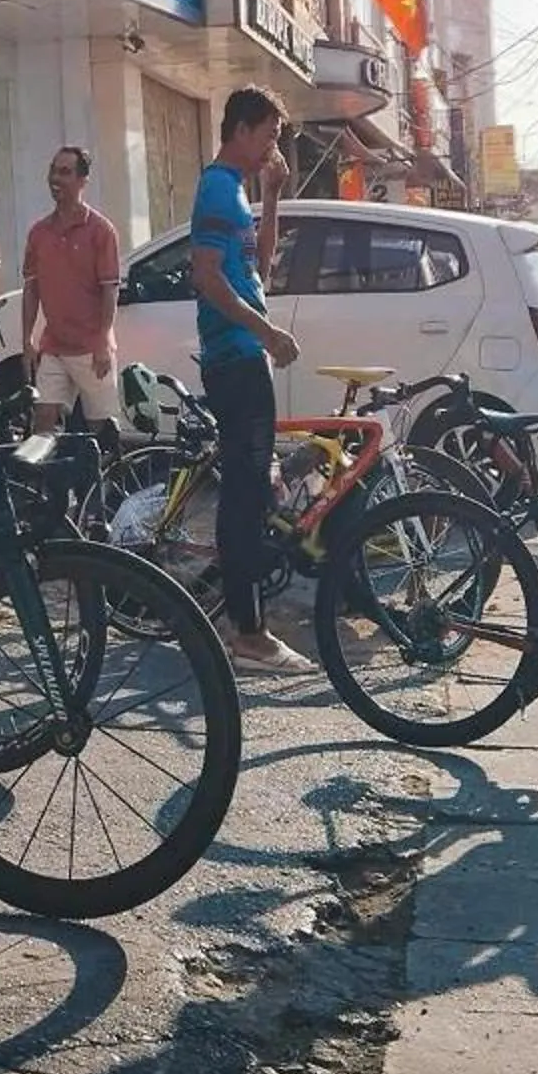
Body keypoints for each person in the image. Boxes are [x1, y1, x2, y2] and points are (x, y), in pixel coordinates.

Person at [191, 86, 308, 675]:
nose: (273, 148)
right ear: (240, 129)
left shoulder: (236, 191)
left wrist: (272, 195)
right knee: (244, 498)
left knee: (252, 492)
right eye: (269, 135)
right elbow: (207, 276)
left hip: (244, 355)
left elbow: (258, 269)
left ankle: (244, 622)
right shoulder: (215, 187)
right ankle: (248, 632)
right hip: (235, 357)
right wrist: (267, 334)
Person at [19, 145, 122, 431]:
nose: (56, 178)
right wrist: (27, 340)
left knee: (102, 429)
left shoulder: (101, 231)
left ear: (82, 181)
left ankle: (106, 476)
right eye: (53, 170)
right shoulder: (39, 233)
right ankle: (45, 477)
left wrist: (102, 340)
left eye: (65, 172)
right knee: (43, 421)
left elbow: (110, 289)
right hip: (54, 346)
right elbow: (31, 288)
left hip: (92, 348)